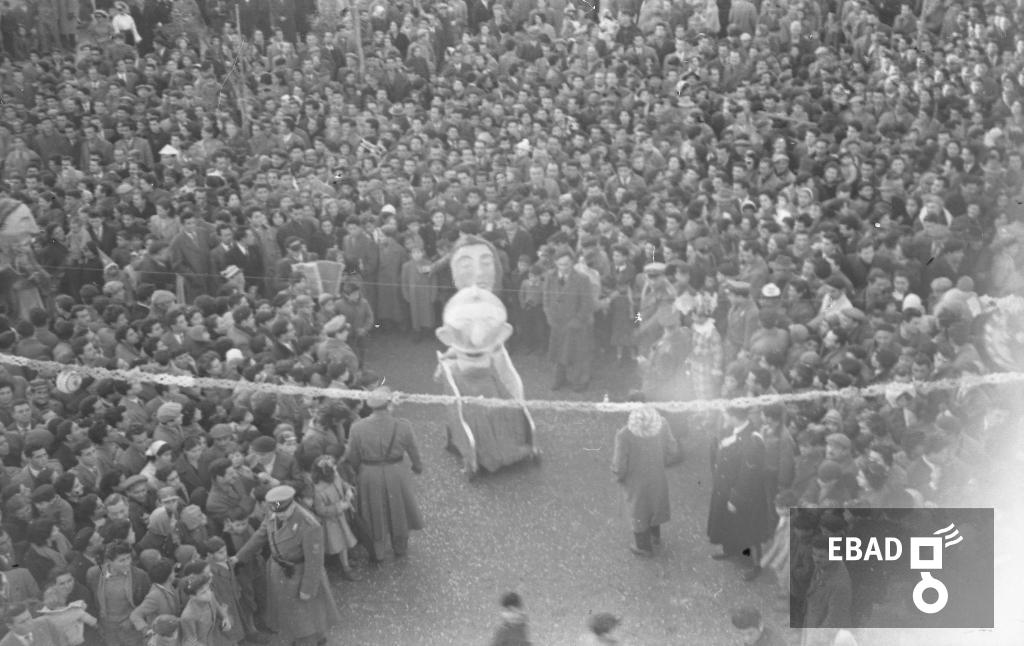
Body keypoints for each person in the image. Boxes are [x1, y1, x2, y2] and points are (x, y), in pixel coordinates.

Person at [232, 485, 341, 646]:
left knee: (306, 619)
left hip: (300, 575)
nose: (280, 515)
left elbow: (315, 562)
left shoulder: (309, 524)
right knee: (292, 615)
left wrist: (307, 589)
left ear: (292, 504)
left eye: (284, 511)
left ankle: (310, 641)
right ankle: (307, 639)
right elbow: (261, 535)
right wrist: (239, 557)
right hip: (280, 571)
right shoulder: (274, 511)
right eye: (277, 512)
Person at [342, 387, 424, 562]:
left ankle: (378, 551)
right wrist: (418, 466)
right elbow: (413, 450)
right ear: (389, 405)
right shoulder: (403, 425)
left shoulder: (357, 427)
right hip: (396, 472)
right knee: (399, 509)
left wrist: (359, 471)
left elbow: (352, 455)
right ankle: (400, 547)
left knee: (374, 511)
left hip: (369, 473)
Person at [708, 407, 774, 581]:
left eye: (726, 414)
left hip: (745, 494)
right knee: (730, 522)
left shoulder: (753, 440)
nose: (723, 417)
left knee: (751, 530)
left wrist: (736, 498)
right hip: (727, 489)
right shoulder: (732, 431)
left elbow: (749, 474)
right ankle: (731, 550)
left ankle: (756, 565)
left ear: (734, 416)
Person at [611, 407, 678, 557]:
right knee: (655, 503)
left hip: (635, 481)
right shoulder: (662, 424)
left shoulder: (624, 435)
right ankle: (655, 536)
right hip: (657, 475)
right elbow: (672, 449)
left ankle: (643, 547)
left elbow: (619, 465)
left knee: (638, 509)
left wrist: (618, 476)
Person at [542, 249, 596, 392]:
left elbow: (587, 304)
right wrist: (549, 316)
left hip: (575, 323)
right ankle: (559, 378)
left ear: (572, 263)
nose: (563, 267)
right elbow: (546, 298)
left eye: (566, 264)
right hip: (557, 323)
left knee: (578, 354)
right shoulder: (550, 277)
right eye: (560, 264)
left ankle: (580, 381)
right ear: (555, 263)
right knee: (558, 351)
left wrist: (577, 320)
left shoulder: (582, 279)